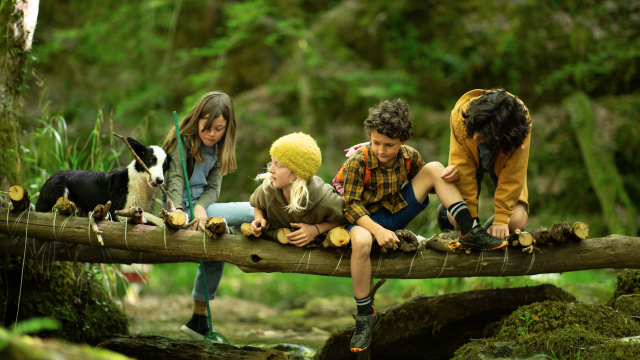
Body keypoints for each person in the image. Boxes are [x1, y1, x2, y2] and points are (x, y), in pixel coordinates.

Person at [342, 99, 508, 353]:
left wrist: (449, 176)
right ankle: (366, 316)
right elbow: (350, 206)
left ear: (403, 141)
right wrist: (378, 231)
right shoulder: (359, 161)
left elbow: (429, 182)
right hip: (364, 221)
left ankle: (469, 230)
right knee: (362, 242)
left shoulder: (409, 157)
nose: (381, 150)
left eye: (389, 145)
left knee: (435, 168)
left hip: (395, 213)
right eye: (376, 142)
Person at [161, 91, 254, 341]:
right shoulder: (183, 141)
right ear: (197, 120)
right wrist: (176, 211)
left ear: (227, 128)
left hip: (200, 206)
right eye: (206, 126)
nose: (211, 133)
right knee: (251, 210)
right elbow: (176, 179)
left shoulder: (219, 148)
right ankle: (283, 223)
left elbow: (213, 188)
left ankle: (198, 319)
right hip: (179, 206)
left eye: (219, 128)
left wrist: (202, 207)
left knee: (217, 244)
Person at [437, 89, 531, 239]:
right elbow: (464, 171)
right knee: (460, 220)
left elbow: (513, 175)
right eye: (473, 131)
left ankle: (490, 230)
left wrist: (501, 221)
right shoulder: (460, 115)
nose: (474, 138)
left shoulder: (519, 125)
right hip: (467, 166)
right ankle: (445, 211)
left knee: (515, 222)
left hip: (505, 167)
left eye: (483, 135)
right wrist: (470, 224)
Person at [249, 133, 345, 246]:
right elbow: (258, 204)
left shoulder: (324, 198)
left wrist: (316, 229)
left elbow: (344, 217)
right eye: (271, 162)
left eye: (278, 165)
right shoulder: (269, 188)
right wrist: (259, 218)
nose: (270, 170)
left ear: (298, 173)